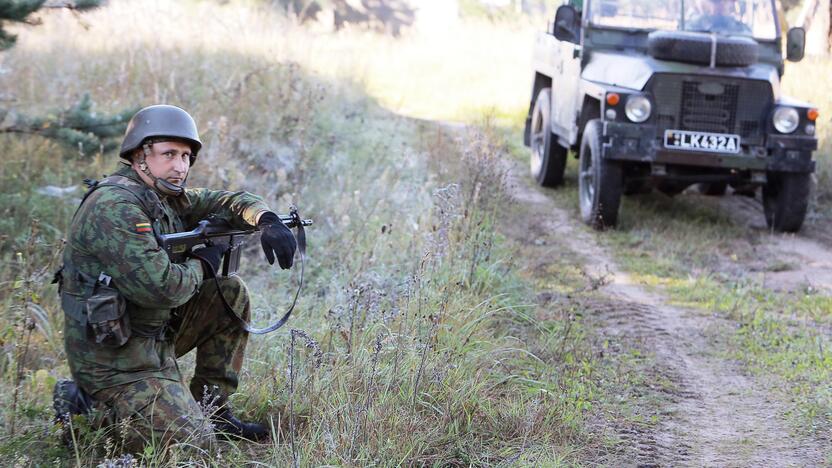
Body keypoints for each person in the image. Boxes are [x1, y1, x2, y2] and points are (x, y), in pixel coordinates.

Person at [52, 104, 297, 451]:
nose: (180, 167)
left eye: (186, 156)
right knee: (194, 447)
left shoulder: (165, 196)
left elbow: (227, 199)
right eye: (169, 154)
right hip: (113, 358)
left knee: (229, 292)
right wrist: (203, 262)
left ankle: (213, 410)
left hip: (151, 338)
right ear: (140, 156)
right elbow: (162, 289)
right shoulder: (116, 206)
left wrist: (266, 219)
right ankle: (85, 405)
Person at [687, 0, 752, 35]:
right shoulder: (689, 29)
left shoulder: (743, 32)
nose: (719, 6)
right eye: (713, 1)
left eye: (723, 1)